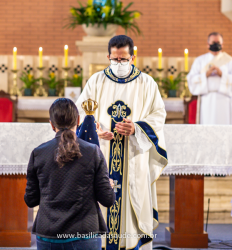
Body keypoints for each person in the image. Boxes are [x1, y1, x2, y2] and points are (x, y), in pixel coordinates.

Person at [76, 35, 168, 250]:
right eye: (115, 59)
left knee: (132, 202)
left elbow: (158, 115)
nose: (119, 64)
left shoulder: (146, 83)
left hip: (134, 155)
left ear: (133, 57)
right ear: (108, 56)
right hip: (102, 153)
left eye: (123, 59)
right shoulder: (96, 81)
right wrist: (96, 130)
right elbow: (81, 111)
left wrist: (136, 128)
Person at [24, 98, 116, 250]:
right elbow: (107, 199)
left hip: (48, 234)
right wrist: (108, 185)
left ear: (52, 124)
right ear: (78, 120)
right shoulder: (93, 151)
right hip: (85, 233)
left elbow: (31, 200)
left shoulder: (38, 153)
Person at [187, 32, 232, 124]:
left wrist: (222, 74)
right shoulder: (200, 61)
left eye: (218, 42)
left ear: (222, 44)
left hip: (225, 101)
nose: (216, 44)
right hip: (207, 100)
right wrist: (205, 74)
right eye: (213, 42)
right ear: (208, 44)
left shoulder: (229, 61)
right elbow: (191, 79)